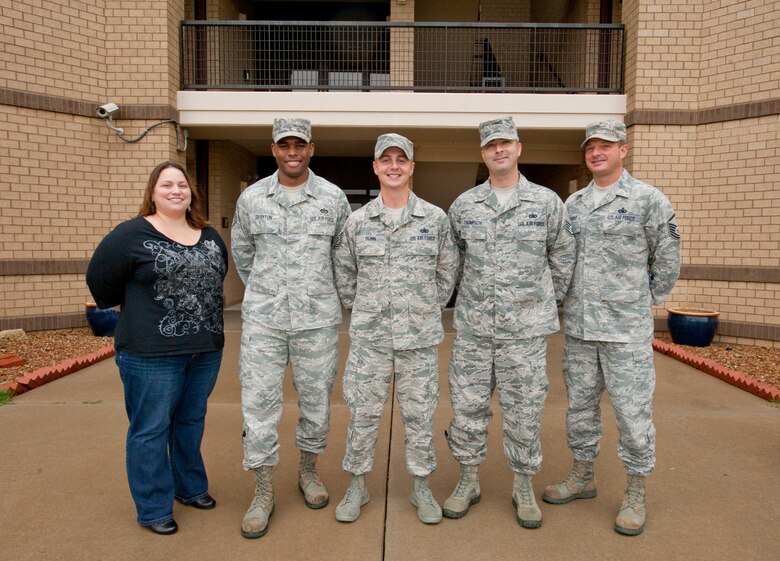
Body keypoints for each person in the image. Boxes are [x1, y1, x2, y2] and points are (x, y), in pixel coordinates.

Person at [542, 119, 681, 536]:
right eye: (590, 147)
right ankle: (582, 475)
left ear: (624, 149)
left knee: (632, 415)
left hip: (626, 333)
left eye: (606, 145)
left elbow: (667, 259)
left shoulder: (648, 200)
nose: (597, 152)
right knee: (580, 411)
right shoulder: (574, 205)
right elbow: (562, 258)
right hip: (581, 330)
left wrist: (640, 301)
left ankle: (636, 491)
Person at [444, 116, 575, 528]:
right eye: (490, 145)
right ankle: (468, 480)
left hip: (525, 334)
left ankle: (523, 485)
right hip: (475, 332)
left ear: (518, 147)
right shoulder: (465, 206)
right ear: (483, 154)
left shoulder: (547, 203)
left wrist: (538, 304)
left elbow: (563, 258)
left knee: (524, 410)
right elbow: (453, 264)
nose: (498, 150)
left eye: (505, 143)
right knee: (467, 408)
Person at [86, 161, 228, 536]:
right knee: (150, 429)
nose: (176, 191)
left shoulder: (209, 235)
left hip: (205, 349)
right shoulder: (131, 234)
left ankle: (191, 488)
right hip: (151, 354)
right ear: (152, 192)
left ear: (191, 193)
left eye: (182, 185)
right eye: (167, 185)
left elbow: (218, 277)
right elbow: (101, 283)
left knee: (190, 421)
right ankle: (153, 508)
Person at [231, 118, 351, 539]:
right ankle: (262, 491)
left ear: (311, 149)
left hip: (316, 322)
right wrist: (270, 292)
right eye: (285, 145)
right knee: (260, 407)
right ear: (274, 149)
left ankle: (308, 471)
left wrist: (316, 296)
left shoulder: (333, 199)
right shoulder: (252, 199)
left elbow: (343, 259)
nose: (293, 151)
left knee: (316, 403)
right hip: (265, 322)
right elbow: (243, 254)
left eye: (300, 144)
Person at [333, 133, 458, 524]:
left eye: (401, 159)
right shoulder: (357, 221)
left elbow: (447, 272)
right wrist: (369, 307)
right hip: (370, 338)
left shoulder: (435, 219)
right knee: (362, 412)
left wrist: (420, 307)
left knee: (420, 414)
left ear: (411, 167)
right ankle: (357, 483)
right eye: (385, 159)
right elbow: (344, 273)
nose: (393, 166)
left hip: (418, 339)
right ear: (375, 167)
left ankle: (421, 486)